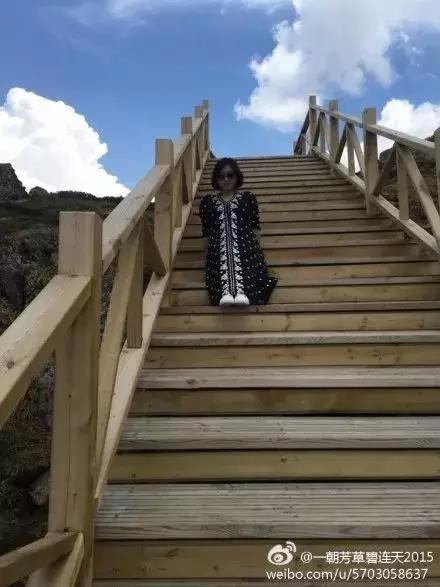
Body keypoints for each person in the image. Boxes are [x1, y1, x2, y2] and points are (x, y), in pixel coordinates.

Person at [198, 157, 278, 307]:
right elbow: (206, 233)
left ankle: (242, 292)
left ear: (237, 176)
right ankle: (226, 293)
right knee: (222, 256)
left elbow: (255, 227)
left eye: (230, 175)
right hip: (217, 251)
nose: (226, 179)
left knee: (244, 256)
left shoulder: (247, 198)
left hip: (246, 249)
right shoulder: (207, 202)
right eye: (221, 176)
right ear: (216, 178)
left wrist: (258, 252)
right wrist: (206, 259)